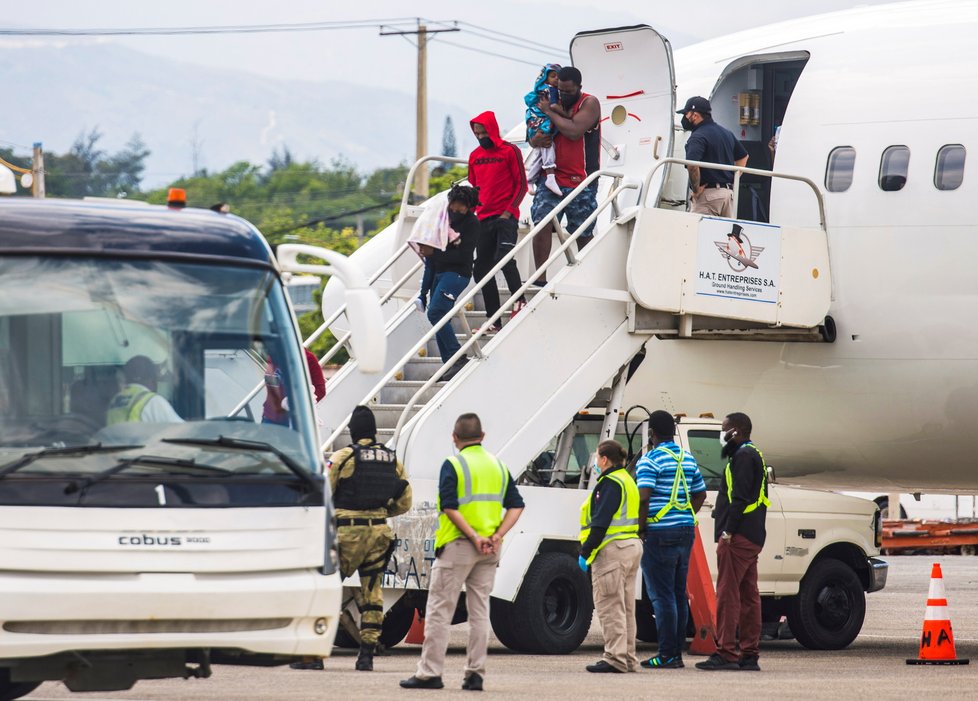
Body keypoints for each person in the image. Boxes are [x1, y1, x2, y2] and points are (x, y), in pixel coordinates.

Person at [400, 412, 525, 691]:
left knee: (438, 611)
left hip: (459, 546)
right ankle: (475, 675)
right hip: (490, 549)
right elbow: (516, 506)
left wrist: (473, 536)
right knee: (480, 612)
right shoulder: (498, 466)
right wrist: (496, 535)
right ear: (482, 437)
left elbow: (448, 506)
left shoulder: (453, 464)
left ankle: (430, 672)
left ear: (454, 439)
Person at [292, 405, 412, 672]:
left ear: (353, 431)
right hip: (379, 533)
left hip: (347, 534)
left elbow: (323, 493)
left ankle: (315, 656)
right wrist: (381, 512)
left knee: (327, 590)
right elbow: (405, 501)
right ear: (374, 430)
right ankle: (366, 654)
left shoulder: (344, 457)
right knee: (372, 594)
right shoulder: (392, 460)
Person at [695, 411, 769, 672]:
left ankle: (726, 652)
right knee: (749, 596)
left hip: (739, 537)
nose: (721, 434)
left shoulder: (743, 456)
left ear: (736, 431)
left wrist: (727, 532)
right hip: (752, 534)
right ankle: (749, 654)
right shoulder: (751, 454)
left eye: (724, 429)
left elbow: (739, 498)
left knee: (727, 595)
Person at [636, 411, 707, 669]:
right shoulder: (687, 458)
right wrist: (683, 516)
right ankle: (676, 653)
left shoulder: (650, 460)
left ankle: (666, 655)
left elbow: (643, 497)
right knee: (678, 593)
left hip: (658, 533)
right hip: (685, 530)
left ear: (652, 433)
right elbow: (699, 494)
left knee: (661, 596)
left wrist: (640, 528)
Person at [529, 65, 601, 285]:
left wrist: (551, 111)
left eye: (569, 91)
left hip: (581, 179)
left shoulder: (590, 103)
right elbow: (532, 133)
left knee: (583, 228)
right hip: (551, 176)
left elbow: (573, 131)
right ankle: (540, 279)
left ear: (579, 87)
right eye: (560, 90)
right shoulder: (549, 97)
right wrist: (536, 139)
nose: (563, 94)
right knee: (542, 222)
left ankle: (587, 277)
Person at [578, 439, 643, 674]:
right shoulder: (627, 480)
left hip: (612, 550)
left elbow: (600, 522)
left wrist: (585, 552)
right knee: (625, 608)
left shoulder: (610, 483)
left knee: (610, 606)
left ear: (604, 459)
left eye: (597, 458)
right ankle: (627, 658)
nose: (595, 462)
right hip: (631, 546)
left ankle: (615, 658)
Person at [468, 111, 528, 333]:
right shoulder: (474, 156)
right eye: (477, 133)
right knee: (481, 268)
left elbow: (521, 184)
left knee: (504, 258)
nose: (481, 136)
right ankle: (493, 320)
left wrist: (509, 212)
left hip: (505, 217)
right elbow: (474, 189)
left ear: (492, 129)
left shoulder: (510, 151)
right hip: (482, 219)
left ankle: (520, 301)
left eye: (484, 132)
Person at [417, 184, 481, 381]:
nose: (456, 209)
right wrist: (423, 292)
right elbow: (430, 262)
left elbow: (463, 256)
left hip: (457, 274)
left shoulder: (472, 224)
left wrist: (434, 252)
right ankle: (450, 363)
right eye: (454, 204)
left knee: (436, 313)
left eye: (462, 205)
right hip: (439, 272)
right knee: (436, 315)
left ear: (469, 206)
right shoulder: (442, 219)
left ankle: (457, 357)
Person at [677, 96, 749, 218]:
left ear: (695, 115)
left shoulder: (697, 136)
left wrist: (696, 190)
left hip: (708, 196)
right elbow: (743, 156)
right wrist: (732, 179)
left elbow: (692, 165)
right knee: (724, 236)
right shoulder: (726, 133)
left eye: (686, 114)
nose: (684, 118)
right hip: (728, 195)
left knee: (697, 235)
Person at [524, 63, 563, 196]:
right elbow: (552, 106)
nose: (556, 79)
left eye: (559, 76)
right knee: (548, 145)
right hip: (542, 122)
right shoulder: (549, 90)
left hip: (537, 122)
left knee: (540, 155)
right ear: (545, 78)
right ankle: (550, 176)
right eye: (553, 76)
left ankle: (529, 179)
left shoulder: (542, 90)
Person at [106, 355, 182, 424]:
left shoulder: (114, 402)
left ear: (126, 378)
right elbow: (182, 431)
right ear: (152, 379)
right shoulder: (153, 401)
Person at [262, 348, 327, 425]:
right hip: (270, 416)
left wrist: (294, 403)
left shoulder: (308, 358)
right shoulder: (274, 355)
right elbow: (271, 383)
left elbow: (320, 390)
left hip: (293, 420)